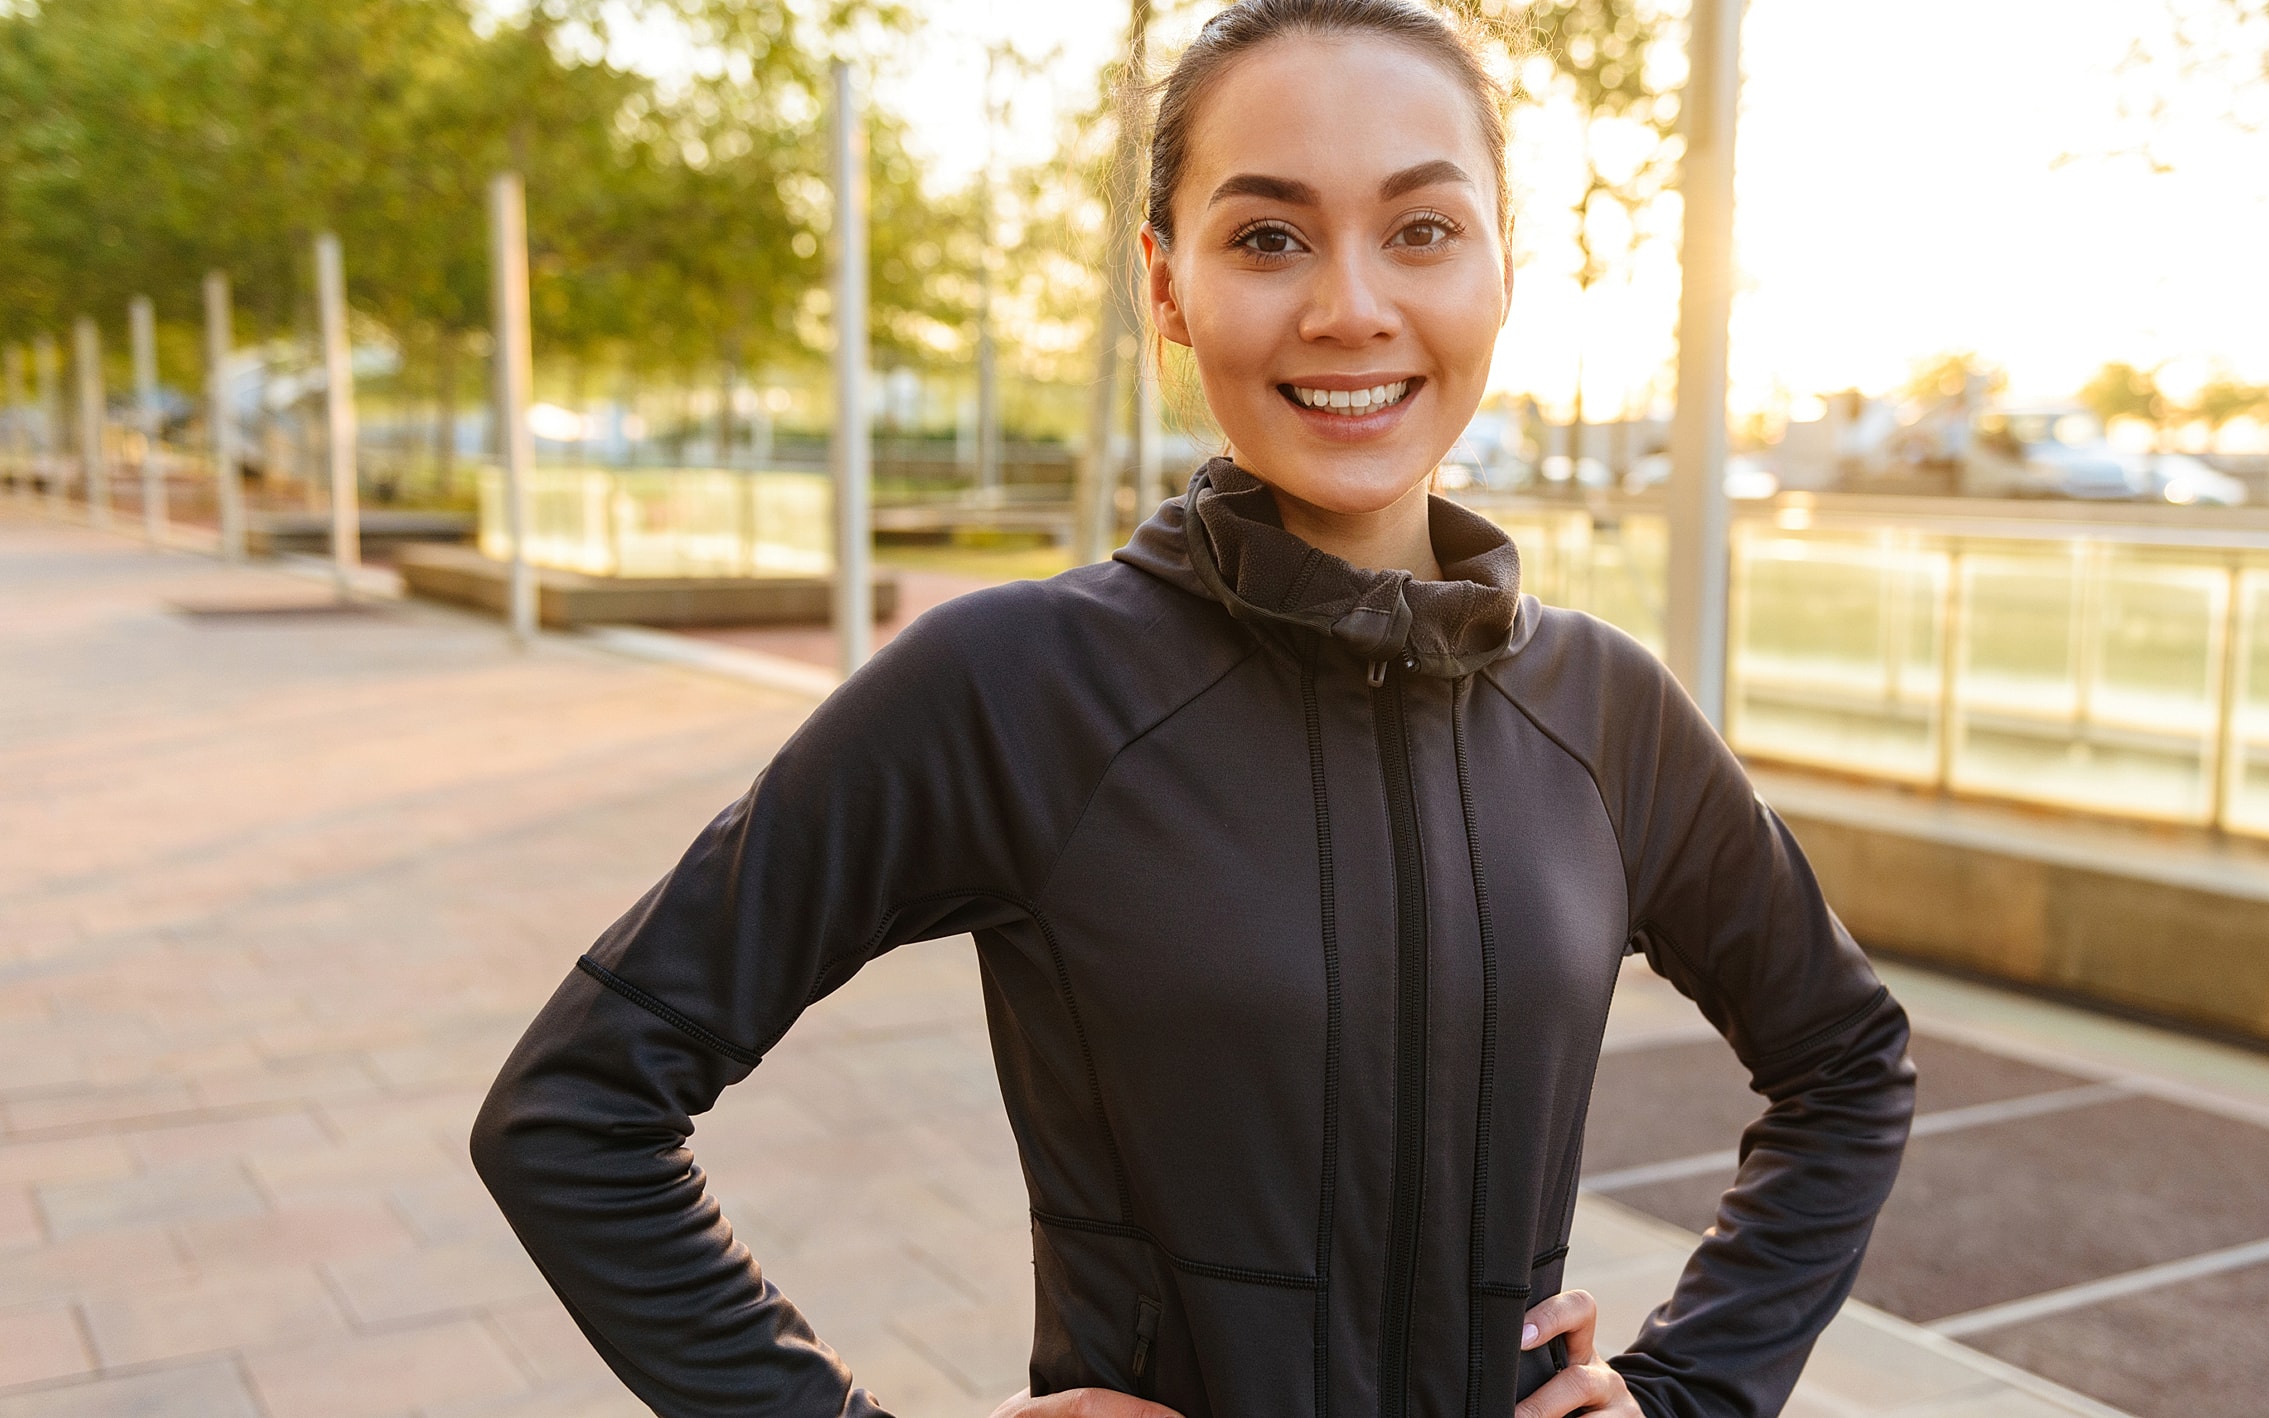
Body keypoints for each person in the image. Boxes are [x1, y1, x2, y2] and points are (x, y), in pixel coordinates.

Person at [471, 2, 1914, 1414]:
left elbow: (1848, 1064)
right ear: (1167, 283)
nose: (1351, 307)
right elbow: (576, 1115)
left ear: (1499, 270)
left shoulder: (1608, 713)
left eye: (1421, 228)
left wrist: (1685, 1390)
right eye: (1270, 235)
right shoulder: (1015, 686)